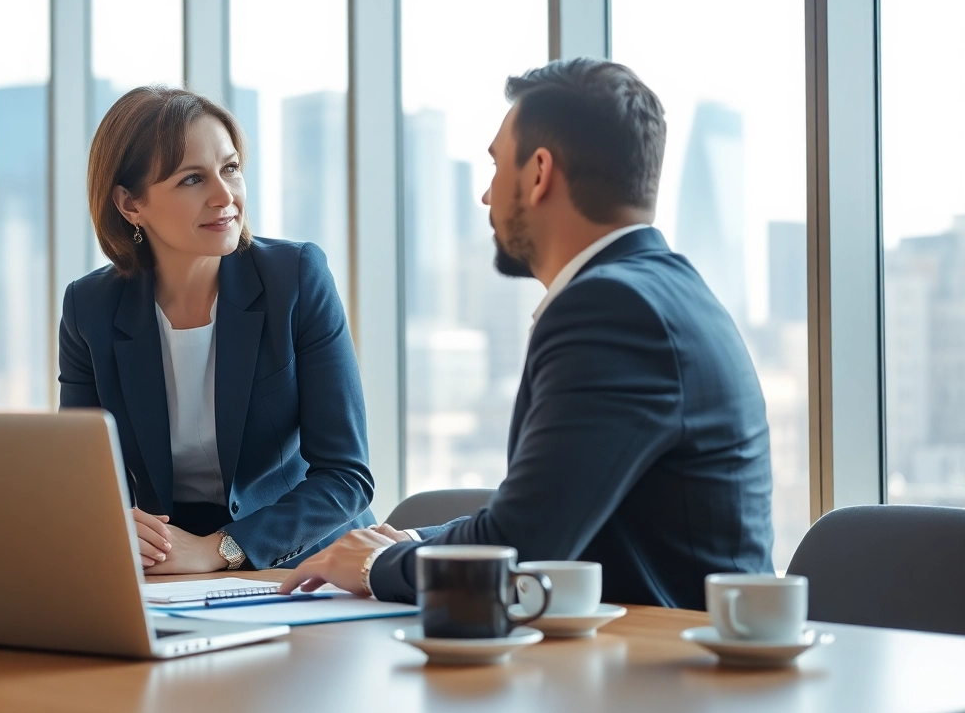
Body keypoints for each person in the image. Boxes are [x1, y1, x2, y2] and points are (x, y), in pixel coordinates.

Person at [280, 58, 774, 610]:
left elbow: (523, 544)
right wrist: (411, 542)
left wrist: (374, 566)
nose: (486, 196)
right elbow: (551, 511)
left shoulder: (611, 309)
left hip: (663, 675)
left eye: (496, 167)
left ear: (539, 173)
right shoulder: (664, 290)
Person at [59, 85, 375, 575]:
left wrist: (220, 549)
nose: (225, 196)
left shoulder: (294, 279)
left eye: (230, 169)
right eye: (191, 179)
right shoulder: (90, 308)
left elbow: (346, 476)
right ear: (130, 204)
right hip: (169, 566)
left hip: (304, 565)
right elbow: (84, 482)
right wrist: (114, 524)